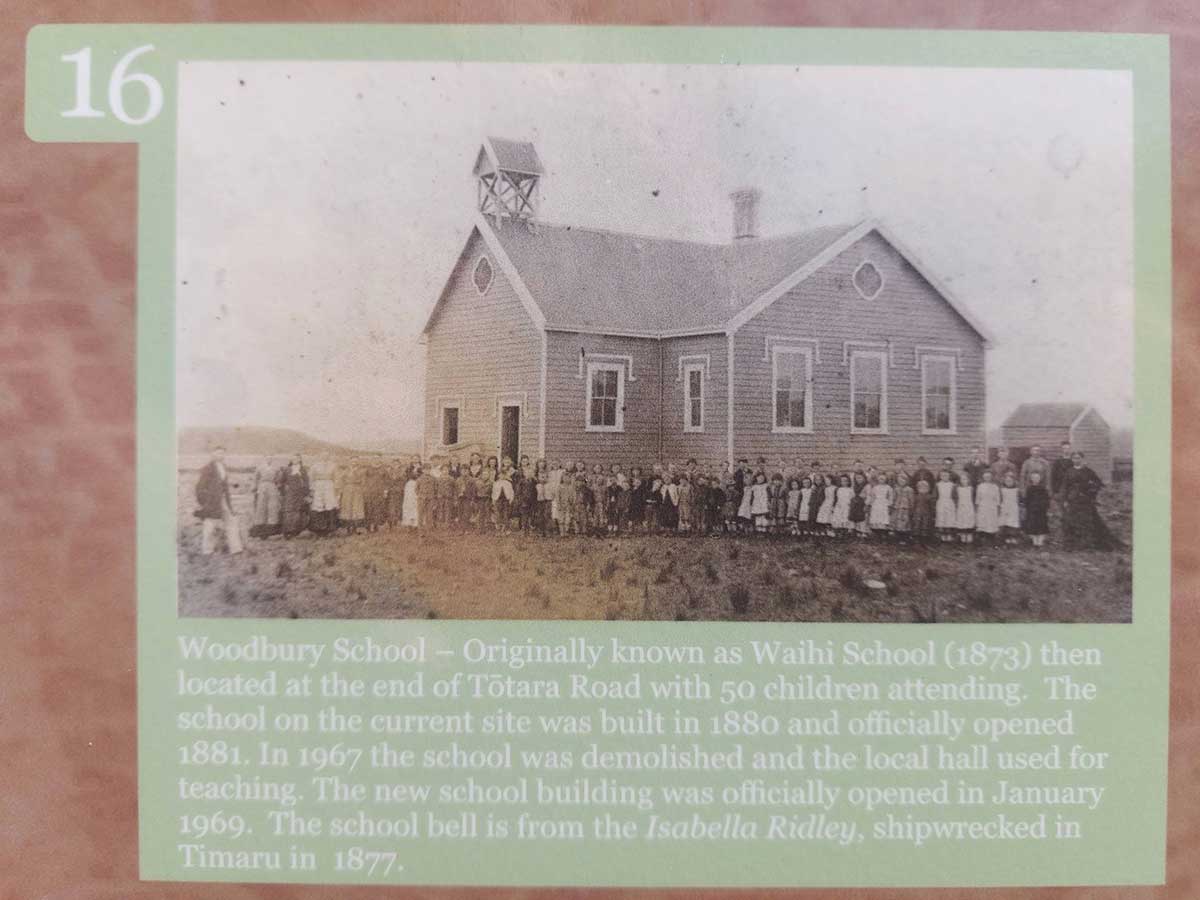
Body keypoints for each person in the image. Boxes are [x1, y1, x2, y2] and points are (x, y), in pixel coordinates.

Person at [1060, 452, 1117, 550]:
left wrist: (1090, 491)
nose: (1076, 460)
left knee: (1086, 522)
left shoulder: (1088, 471)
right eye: (1074, 458)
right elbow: (1065, 487)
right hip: (1073, 499)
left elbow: (1098, 483)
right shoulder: (1069, 471)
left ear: (1082, 459)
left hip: (1085, 501)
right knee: (1071, 522)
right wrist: (1065, 500)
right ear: (1072, 460)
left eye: (1078, 458)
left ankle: (1086, 544)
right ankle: (1072, 544)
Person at [195, 446, 244, 554]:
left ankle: (236, 549)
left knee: (231, 520)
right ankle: (207, 550)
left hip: (223, 500)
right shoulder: (208, 468)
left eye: (222, 453)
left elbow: (224, 485)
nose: (220, 455)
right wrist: (204, 502)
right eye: (218, 453)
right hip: (211, 502)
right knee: (209, 525)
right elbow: (199, 487)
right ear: (213, 454)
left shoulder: (224, 467)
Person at [276, 453, 310, 539]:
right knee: (288, 511)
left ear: (300, 460)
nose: (295, 460)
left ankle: (295, 531)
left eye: (297, 458)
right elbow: (280, 482)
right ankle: (287, 531)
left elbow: (306, 481)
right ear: (291, 460)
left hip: (299, 493)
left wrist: (306, 493)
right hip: (290, 493)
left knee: (298, 511)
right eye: (293, 458)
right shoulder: (287, 469)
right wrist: (283, 490)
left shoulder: (303, 470)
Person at [307, 454, 340, 536]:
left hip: (329, 486)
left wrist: (336, 489)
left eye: (326, 455)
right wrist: (312, 488)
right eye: (323, 455)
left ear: (328, 457)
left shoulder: (333, 465)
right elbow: (311, 477)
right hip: (318, 486)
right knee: (318, 506)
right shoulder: (315, 466)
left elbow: (337, 478)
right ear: (319, 456)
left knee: (330, 505)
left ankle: (330, 529)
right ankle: (318, 529)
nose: (324, 457)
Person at [250, 457, 281, 538]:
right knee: (261, 507)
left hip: (272, 486)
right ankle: (260, 529)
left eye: (271, 458)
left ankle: (271, 529)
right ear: (264, 458)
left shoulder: (276, 468)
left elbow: (279, 478)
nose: (269, 459)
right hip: (262, 486)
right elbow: (255, 478)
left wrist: (277, 486)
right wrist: (254, 487)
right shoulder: (260, 467)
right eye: (267, 458)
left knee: (272, 507)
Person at [1023, 471, 1050, 547]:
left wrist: (1046, 507)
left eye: (1037, 478)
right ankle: (1034, 541)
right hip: (1032, 509)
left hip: (1041, 509)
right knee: (1033, 524)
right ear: (1031, 479)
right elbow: (1027, 499)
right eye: (1034, 478)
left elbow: (1046, 499)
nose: (1035, 479)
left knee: (1041, 524)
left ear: (1040, 479)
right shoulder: (1029, 489)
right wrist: (1027, 507)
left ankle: (1040, 540)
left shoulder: (1043, 488)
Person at [974, 470, 1001, 545]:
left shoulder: (995, 486)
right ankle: (983, 537)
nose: (987, 478)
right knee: (983, 520)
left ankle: (991, 537)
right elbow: (978, 498)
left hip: (992, 505)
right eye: (985, 477)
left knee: (991, 521)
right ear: (983, 477)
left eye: (989, 477)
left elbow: (997, 498)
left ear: (991, 477)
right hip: (983, 505)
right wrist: (977, 506)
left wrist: (997, 506)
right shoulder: (980, 486)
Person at [999, 471, 1022, 545]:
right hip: (1005, 507)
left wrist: (1019, 506)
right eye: (1007, 481)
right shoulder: (1002, 489)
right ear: (1004, 481)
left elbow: (1019, 500)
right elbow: (1000, 499)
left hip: (1013, 508)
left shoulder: (1017, 490)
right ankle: (1007, 537)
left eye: (1010, 481)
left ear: (1014, 481)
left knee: (1013, 523)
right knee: (1006, 522)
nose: (1008, 482)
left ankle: (1013, 537)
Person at [934, 469, 957, 543]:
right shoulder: (938, 485)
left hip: (949, 503)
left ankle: (949, 535)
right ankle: (943, 535)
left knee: (949, 519)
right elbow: (935, 496)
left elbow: (955, 496)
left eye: (946, 475)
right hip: (941, 503)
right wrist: (935, 504)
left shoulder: (952, 485)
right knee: (942, 519)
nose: (944, 477)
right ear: (940, 476)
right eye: (943, 475)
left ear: (949, 476)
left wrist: (955, 504)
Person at [868, 473, 893, 538]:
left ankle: (883, 532)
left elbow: (890, 497)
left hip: (884, 503)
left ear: (886, 479)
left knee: (883, 517)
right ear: (878, 479)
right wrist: (870, 504)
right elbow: (872, 496)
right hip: (876, 503)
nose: (881, 480)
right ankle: (876, 532)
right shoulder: (875, 487)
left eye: (883, 479)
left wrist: (889, 504)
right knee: (876, 517)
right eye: (880, 479)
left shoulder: (888, 488)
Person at [911, 478, 935, 545]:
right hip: (917, 513)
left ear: (928, 488)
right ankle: (917, 539)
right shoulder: (916, 496)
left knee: (925, 525)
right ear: (918, 488)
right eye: (920, 487)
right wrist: (913, 512)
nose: (922, 489)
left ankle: (924, 540)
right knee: (917, 525)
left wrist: (932, 513)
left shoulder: (929, 497)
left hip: (926, 513)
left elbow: (932, 506)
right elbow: (913, 505)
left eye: (924, 487)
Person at [955, 471, 976, 543]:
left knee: (969, 520)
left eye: (965, 479)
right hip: (961, 506)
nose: (964, 481)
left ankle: (969, 534)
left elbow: (973, 498)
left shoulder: (971, 488)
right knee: (962, 520)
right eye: (962, 479)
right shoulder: (958, 489)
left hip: (969, 506)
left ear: (968, 480)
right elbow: (956, 498)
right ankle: (963, 534)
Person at [892, 473, 913, 541]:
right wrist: (893, 505)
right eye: (900, 481)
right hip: (898, 507)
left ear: (906, 481)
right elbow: (894, 498)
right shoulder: (896, 489)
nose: (901, 482)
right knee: (897, 521)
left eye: (903, 480)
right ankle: (898, 536)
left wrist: (911, 507)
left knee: (905, 521)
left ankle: (905, 537)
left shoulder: (909, 489)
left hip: (905, 508)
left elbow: (911, 499)